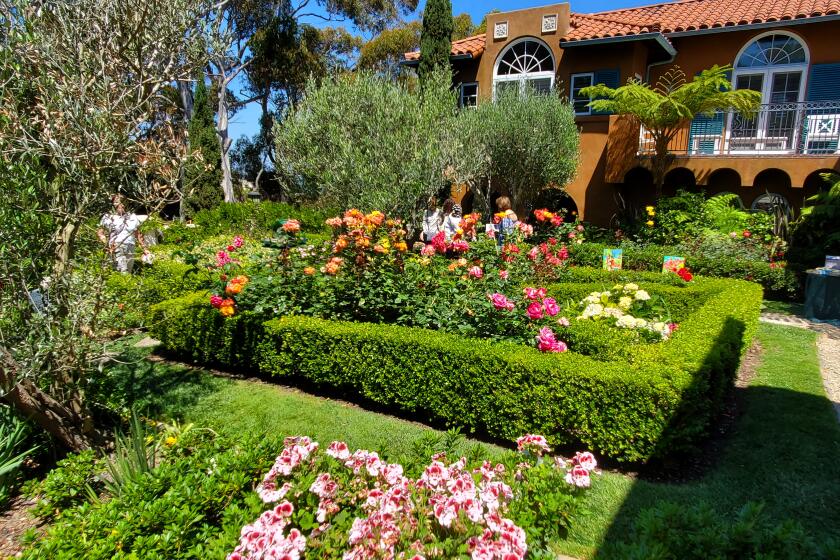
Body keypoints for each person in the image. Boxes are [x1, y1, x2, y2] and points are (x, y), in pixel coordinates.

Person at [97, 194, 148, 273]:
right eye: (117, 202)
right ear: (113, 204)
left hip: (131, 247)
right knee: (123, 272)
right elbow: (100, 233)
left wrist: (144, 249)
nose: (121, 204)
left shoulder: (132, 217)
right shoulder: (108, 217)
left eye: (123, 202)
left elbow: (138, 234)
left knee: (128, 271)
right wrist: (107, 245)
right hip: (117, 246)